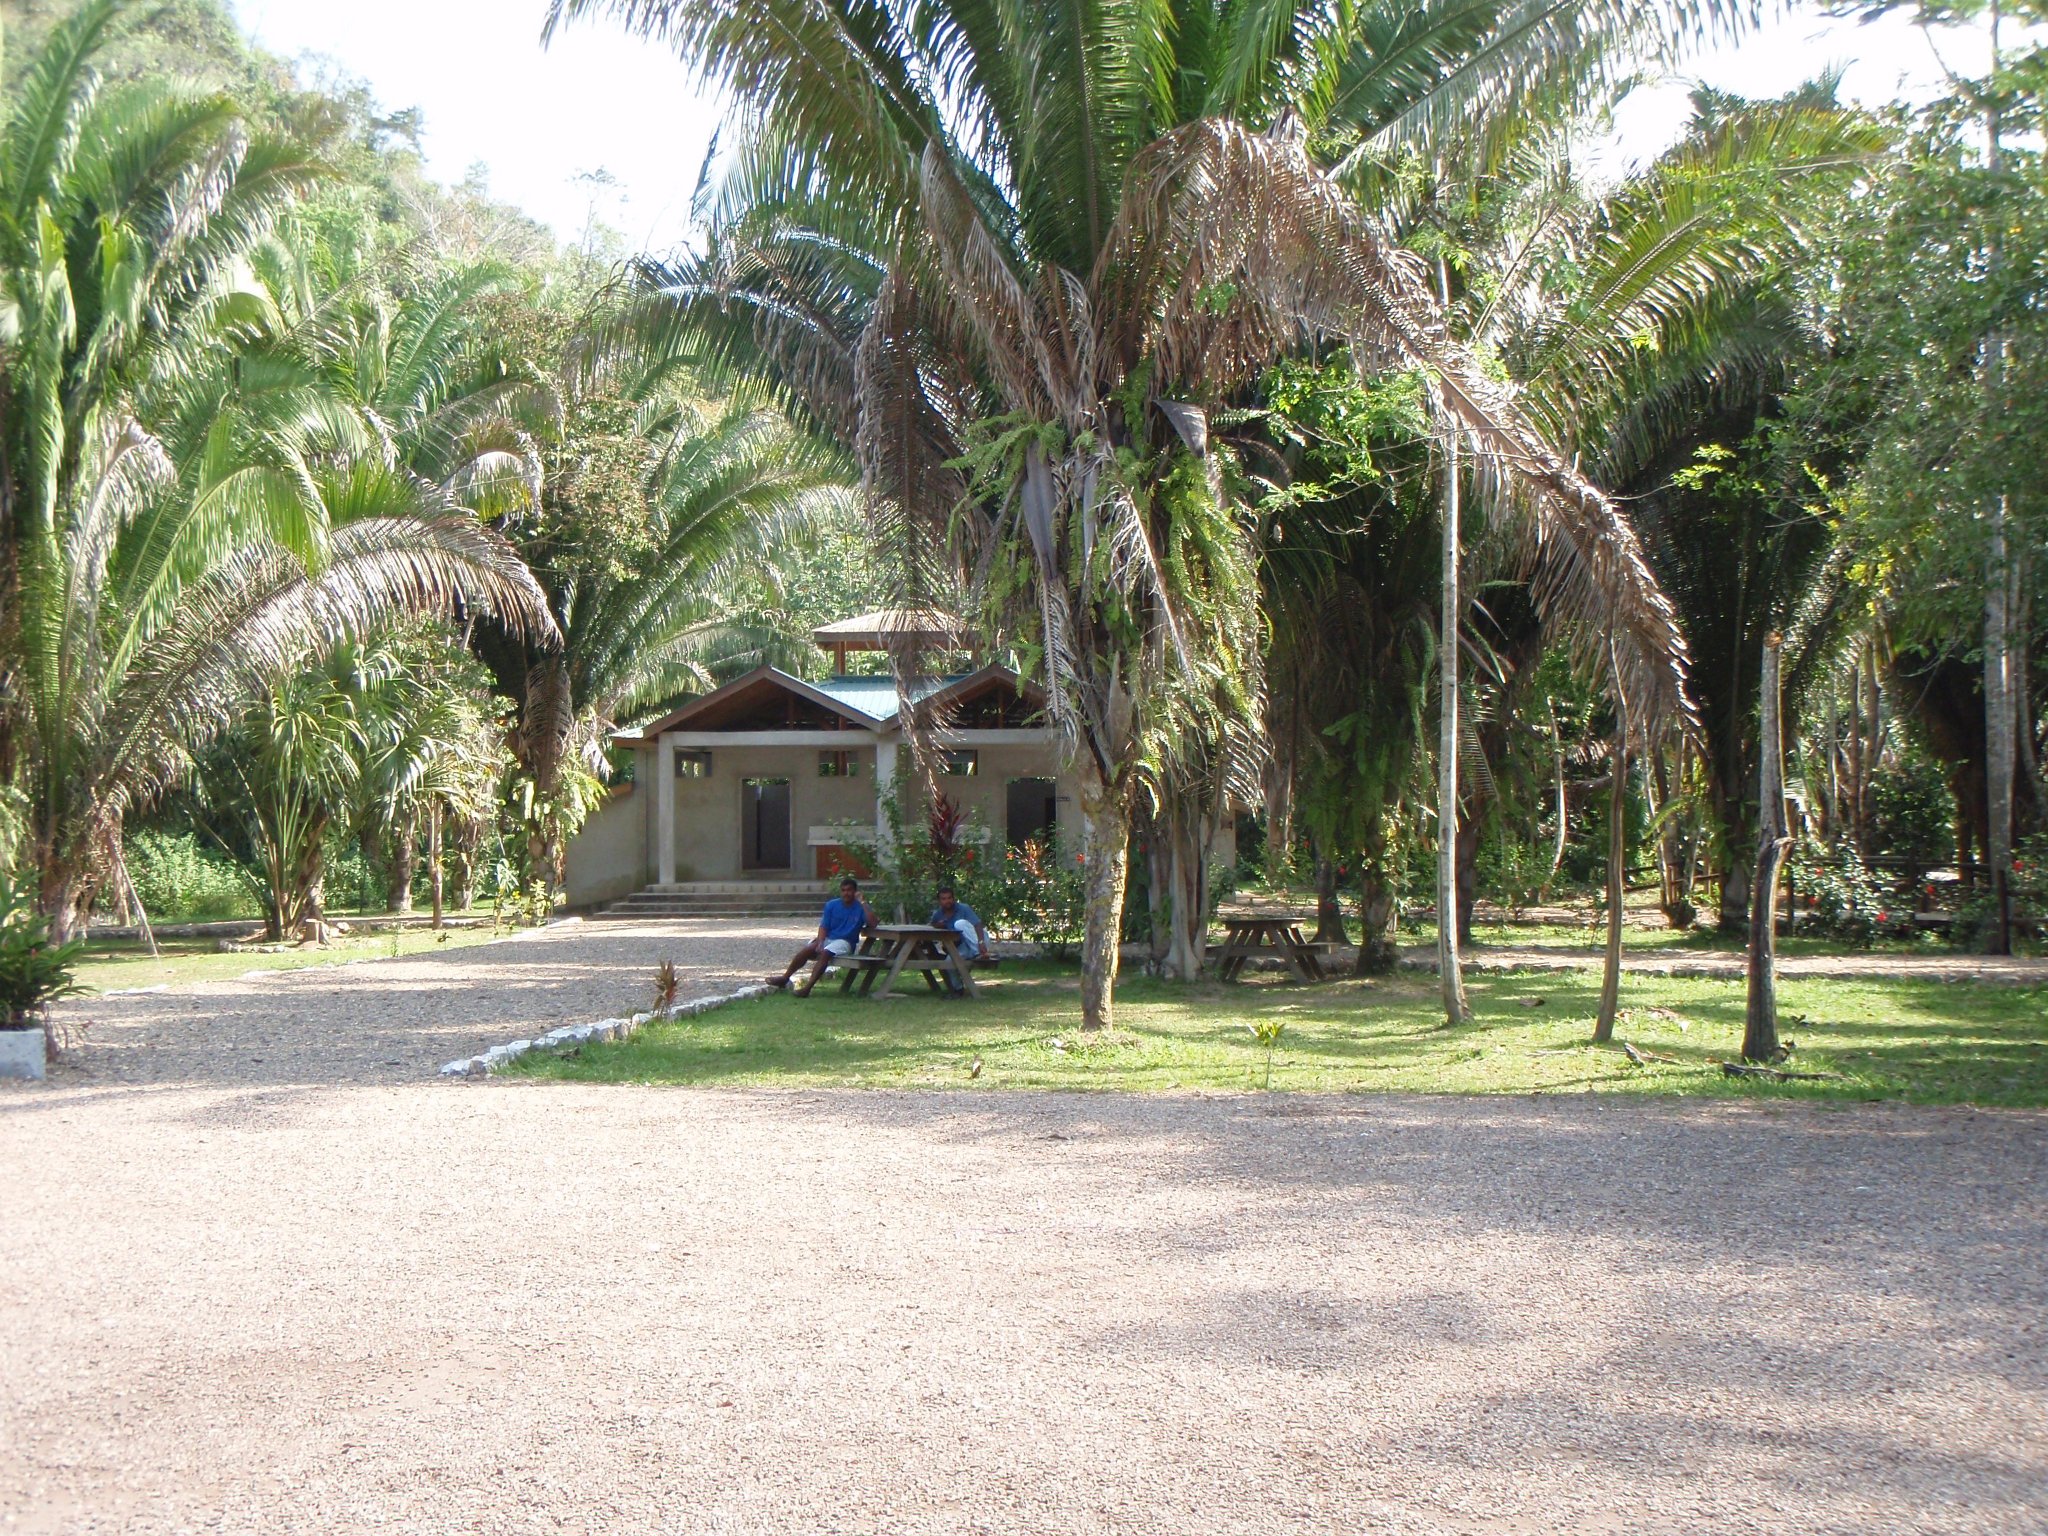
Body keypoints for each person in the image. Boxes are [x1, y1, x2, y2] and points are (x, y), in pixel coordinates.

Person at [771, 877, 876, 994]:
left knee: (825, 953)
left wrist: (863, 902)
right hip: (828, 938)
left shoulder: (861, 907)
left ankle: (807, 988)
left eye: (849, 890)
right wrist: (820, 942)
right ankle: (785, 978)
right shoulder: (832, 905)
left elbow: (873, 923)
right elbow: (823, 926)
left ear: (855, 892)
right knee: (807, 949)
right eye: (843, 890)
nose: (846, 893)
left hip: (845, 942)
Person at [926, 884, 990, 996]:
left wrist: (981, 942)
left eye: (949, 898)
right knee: (949, 962)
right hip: (963, 946)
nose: (947, 901)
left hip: (979, 942)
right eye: (944, 899)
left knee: (959, 924)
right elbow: (932, 925)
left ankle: (978, 953)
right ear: (939, 901)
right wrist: (938, 925)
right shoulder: (938, 914)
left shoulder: (964, 908)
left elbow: (977, 925)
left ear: (954, 898)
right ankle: (957, 990)